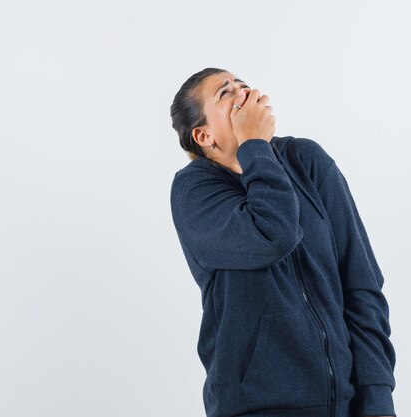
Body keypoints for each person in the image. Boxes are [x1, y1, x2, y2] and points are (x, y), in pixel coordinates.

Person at [169, 67, 397, 417]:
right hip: (255, 408)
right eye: (224, 93)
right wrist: (255, 146)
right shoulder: (194, 193)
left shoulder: (306, 161)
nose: (243, 92)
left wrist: (378, 397)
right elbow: (273, 233)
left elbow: (361, 283)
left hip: (345, 405)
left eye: (242, 84)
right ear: (203, 136)